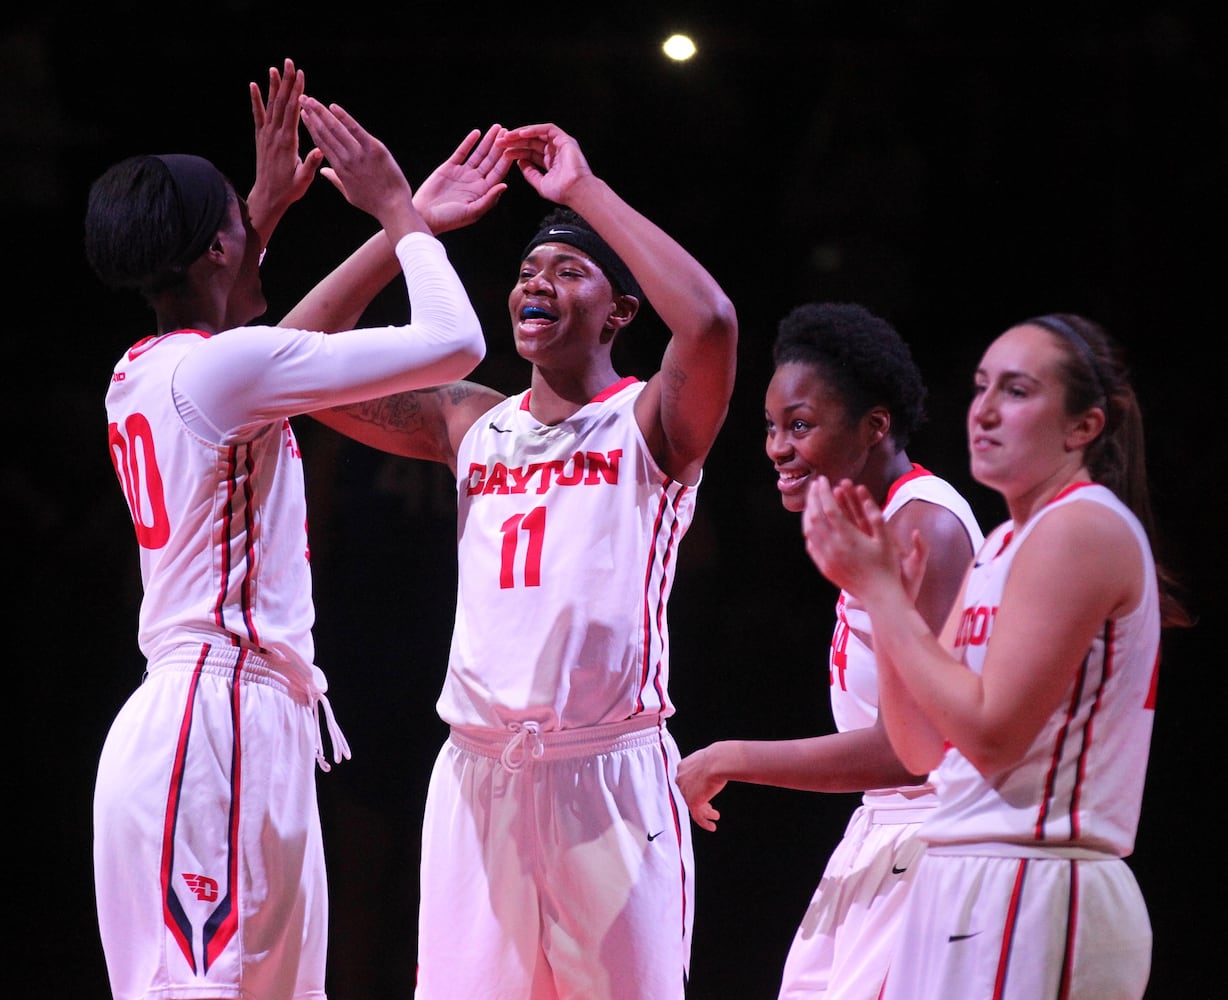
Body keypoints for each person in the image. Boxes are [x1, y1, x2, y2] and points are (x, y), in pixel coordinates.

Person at [87, 58, 512, 1000]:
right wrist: (399, 211)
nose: (252, 217)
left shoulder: (155, 367)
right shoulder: (213, 374)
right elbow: (457, 343)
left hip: (241, 718)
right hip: (213, 717)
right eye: (237, 219)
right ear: (215, 251)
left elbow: (279, 347)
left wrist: (277, 218)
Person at [313, 121, 738, 999]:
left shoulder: (652, 423)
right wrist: (408, 223)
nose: (536, 282)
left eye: (568, 271)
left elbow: (709, 320)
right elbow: (294, 358)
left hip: (608, 772)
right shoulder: (469, 419)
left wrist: (581, 191)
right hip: (478, 774)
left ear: (621, 311)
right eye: (525, 272)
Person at [802, 313, 1192, 999]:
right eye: (982, 386)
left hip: (1037, 876)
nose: (983, 410)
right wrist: (886, 604)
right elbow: (922, 747)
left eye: (1016, 391)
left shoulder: (1082, 527)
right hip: (967, 872)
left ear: (1083, 428)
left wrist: (884, 600)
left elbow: (993, 734)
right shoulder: (1006, 544)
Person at [675, 302, 984, 999]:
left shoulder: (924, 529)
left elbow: (912, 751)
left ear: (874, 425)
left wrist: (733, 757)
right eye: (772, 427)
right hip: (884, 828)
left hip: (933, 833)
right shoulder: (877, 524)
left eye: (801, 425)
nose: (777, 448)